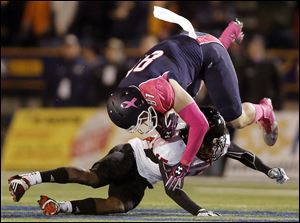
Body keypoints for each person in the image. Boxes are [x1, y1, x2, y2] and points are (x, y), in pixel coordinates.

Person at [106, 6, 278, 191]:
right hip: (183, 52)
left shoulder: (160, 90)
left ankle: (265, 109)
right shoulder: (126, 91)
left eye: (141, 119)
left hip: (205, 52)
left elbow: (201, 125)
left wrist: (183, 166)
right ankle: (231, 32)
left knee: (236, 119)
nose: (143, 125)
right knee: (181, 108)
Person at [8, 107, 288, 217]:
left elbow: (244, 155)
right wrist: (199, 211)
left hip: (144, 178)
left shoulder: (214, 141)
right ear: (194, 138)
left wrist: (267, 170)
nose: (215, 149)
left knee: (119, 206)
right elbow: (172, 188)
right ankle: (29, 178)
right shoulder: (176, 148)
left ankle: (62, 208)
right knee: (93, 179)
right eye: (208, 143)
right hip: (132, 156)